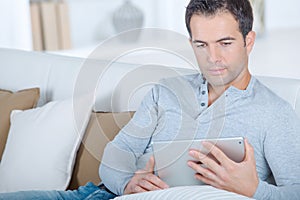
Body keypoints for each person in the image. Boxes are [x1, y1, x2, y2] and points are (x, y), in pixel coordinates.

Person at [1, 0, 299, 199]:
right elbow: (116, 154)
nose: (213, 58)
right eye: (201, 44)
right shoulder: (165, 92)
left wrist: (254, 189)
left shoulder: (275, 114)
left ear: (248, 41)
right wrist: (128, 183)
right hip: (98, 195)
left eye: (225, 43)